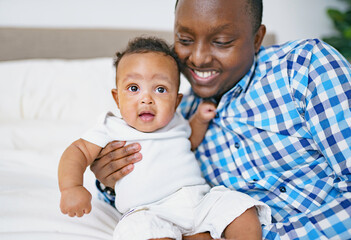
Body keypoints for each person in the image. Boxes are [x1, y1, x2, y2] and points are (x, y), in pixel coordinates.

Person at [91, 0, 351, 239]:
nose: (199, 58)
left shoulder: (303, 67)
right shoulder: (178, 113)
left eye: (222, 41)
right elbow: (160, 198)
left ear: (257, 38)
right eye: (184, 39)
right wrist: (111, 181)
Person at [58, 36, 271, 240]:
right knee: (141, 229)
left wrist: (200, 120)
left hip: (198, 201)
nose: (147, 99)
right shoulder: (110, 127)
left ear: (176, 101)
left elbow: (189, 141)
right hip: (149, 210)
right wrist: (72, 187)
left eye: (160, 89)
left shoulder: (176, 121)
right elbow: (77, 151)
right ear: (117, 97)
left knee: (239, 208)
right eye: (134, 88)